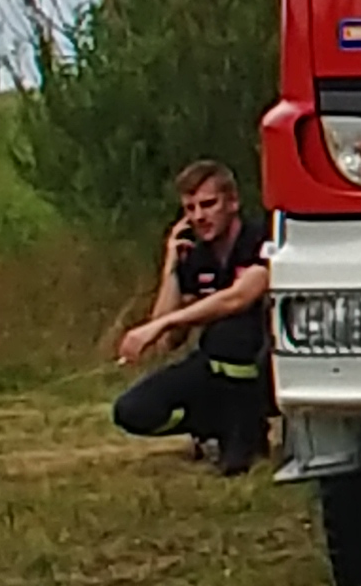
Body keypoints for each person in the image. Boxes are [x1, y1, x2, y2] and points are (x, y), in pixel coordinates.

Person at [113, 160, 274, 472]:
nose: (199, 216)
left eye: (208, 205)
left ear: (233, 203)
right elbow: (168, 341)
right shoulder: (196, 256)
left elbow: (238, 298)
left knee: (232, 332)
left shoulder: (261, 239)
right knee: (132, 411)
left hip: (267, 365)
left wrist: (165, 323)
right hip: (214, 367)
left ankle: (246, 435)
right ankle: (216, 427)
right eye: (190, 209)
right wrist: (171, 269)